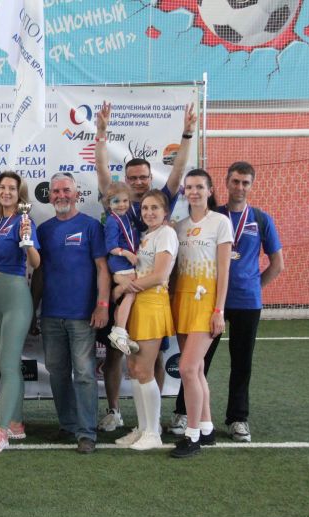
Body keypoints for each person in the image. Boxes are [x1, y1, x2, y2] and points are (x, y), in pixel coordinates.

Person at [94, 101, 196, 432]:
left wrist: (187, 135)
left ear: (151, 178)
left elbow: (178, 170)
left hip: (150, 290)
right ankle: (114, 411)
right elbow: (101, 172)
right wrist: (101, 133)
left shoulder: (159, 204)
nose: (138, 182)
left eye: (143, 177)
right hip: (124, 283)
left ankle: (152, 419)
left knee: (153, 358)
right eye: (133, 178)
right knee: (116, 353)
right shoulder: (118, 202)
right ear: (125, 180)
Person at [169, 161, 284, 442]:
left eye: (245, 183)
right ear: (225, 183)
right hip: (207, 302)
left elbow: (277, 264)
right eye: (235, 181)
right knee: (197, 362)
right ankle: (184, 412)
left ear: (251, 186)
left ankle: (237, 419)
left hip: (246, 302)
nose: (239, 187)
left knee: (241, 362)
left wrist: (253, 286)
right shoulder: (213, 217)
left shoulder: (260, 219)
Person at [31, 173, 109, 454]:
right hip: (51, 315)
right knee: (57, 372)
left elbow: (102, 268)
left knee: (85, 373)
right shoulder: (44, 230)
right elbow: (39, 273)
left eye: (66, 190)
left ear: (76, 194)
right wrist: (32, 310)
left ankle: (87, 432)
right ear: (50, 196)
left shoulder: (90, 226)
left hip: (83, 316)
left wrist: (102, 304)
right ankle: (68, 424)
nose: (61, 195)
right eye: (56, 191)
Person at [170, 169, 233, 458]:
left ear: (210, 190)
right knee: (195, 370)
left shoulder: (220, 222)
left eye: (199, 187)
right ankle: (207, 429)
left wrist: (219, 310)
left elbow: (224, 271)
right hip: (182, 301)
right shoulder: (179, 227)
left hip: (206, 302)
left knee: (186, 369)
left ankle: (192, 434)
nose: (193, 192)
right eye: (189, 187)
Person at [113, 190, 179, 451]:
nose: (149, 213)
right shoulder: (146, 236)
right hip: (138, 304)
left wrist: (125, 288)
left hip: (153, 304)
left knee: (144, 369)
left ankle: (153, 432)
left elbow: (160, 275)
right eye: (145, 208)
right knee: (134, 369)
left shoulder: (166, 234)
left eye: (155, 208)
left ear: (165, 212)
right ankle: (142, 428)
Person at [0, 171, 41, 455]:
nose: (6, 192)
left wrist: (26, 242)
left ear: (20, 194)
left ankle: (2, 431)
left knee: (7, 364)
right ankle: (16, 423)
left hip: (15, 295)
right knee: (10, 363)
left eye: (12, 188)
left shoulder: (24, 221)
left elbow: (36, 262)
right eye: (2, 187)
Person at [104, 182, 141, 355]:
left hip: (128, 262)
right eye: (116, 201)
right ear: (108, 203)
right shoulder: (112, 221)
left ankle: (120, 332)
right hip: (120, 262)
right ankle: (119, 331)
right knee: (132, 291)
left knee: (126, 296)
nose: (122, 205)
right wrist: (126, 253)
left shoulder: (127, 216)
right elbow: (110, 246)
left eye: (125, 201)